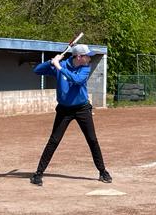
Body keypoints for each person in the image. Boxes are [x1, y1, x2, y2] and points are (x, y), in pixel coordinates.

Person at [31, 43, 112, 185]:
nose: (90, 59)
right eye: (87, 56)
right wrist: (51, 62)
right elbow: (37, 70)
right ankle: (38, 174)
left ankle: (102, 171)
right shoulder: (60, 65)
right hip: (64, 110)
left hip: (82, 108)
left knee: (92, 140)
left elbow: (77, 80)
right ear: (79, 57)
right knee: (54, 140)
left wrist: (59, 67)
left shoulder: (84, 68)